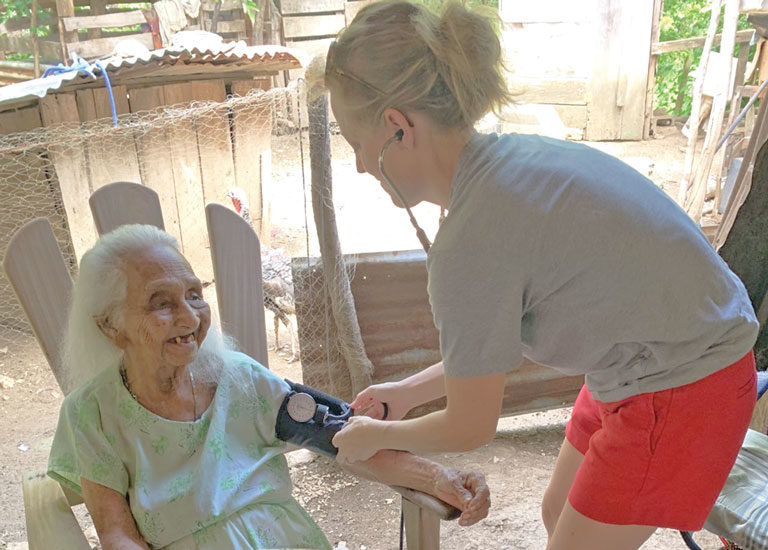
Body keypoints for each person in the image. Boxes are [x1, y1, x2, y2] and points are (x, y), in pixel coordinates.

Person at [325, 2, 760, 549]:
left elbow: (470, 426)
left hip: (684, 381)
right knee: (559, 514)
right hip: (653, 355)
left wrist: (376, 437)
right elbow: (499, 336)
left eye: (355, 144)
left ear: (396, 128)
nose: (362, 165)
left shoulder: (471, 239)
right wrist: (408, 392)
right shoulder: (507, 161)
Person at [47, 224, 490, 550]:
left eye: (195, 294)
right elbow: (116, 532)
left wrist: (441, 478)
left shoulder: (241, 378)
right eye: (161, 303)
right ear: (110, 325)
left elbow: (346, 437)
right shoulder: (92, 412)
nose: (189, 317)